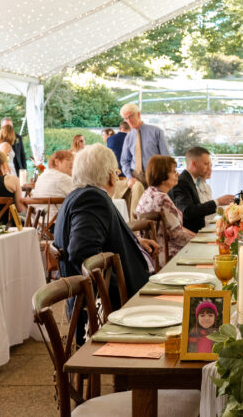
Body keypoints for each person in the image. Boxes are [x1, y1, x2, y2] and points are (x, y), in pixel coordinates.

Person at [53, 144, 159, 343]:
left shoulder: (78, 195)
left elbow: (97, 237)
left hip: (99, 297)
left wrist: (135, 242)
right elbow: (82, 253)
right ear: (111, 175)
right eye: (117, 172)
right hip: (115, 302)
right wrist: (119, 288)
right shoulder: (92, 198)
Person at [135, 155, 195, 259]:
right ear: (162, 175)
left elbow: (175, 228)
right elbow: (177, 237)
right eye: (173, 171)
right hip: (168, 257)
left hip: (149, 258)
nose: (178, 174)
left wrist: (195, 235)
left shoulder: (148, 193)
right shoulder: (162, 199)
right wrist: (200, 239)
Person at [169, 147, 236, 233]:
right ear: (194, 164)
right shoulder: (182, 182)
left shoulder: (191, 180)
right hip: (190, 233)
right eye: (206, 164)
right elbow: (187, 212)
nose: (209, 168)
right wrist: (217, 202)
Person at [119, 103, 172, 187]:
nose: (128, 121)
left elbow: (166, 158)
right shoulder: (128, 137)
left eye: (130, 117)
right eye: (126, 119)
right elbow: (124, 160)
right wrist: (129, 177)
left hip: (154, 176)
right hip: (135, 177)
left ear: (138, 114)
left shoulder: (156, 132)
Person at [30, 150, 75, 221]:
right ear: (57, 162)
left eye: (73, 160)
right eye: (68, 160)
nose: (72, 163)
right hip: (59, 225)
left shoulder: (42, 176)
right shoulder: (63, 178)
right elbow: (79, 198)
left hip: (39, 224)